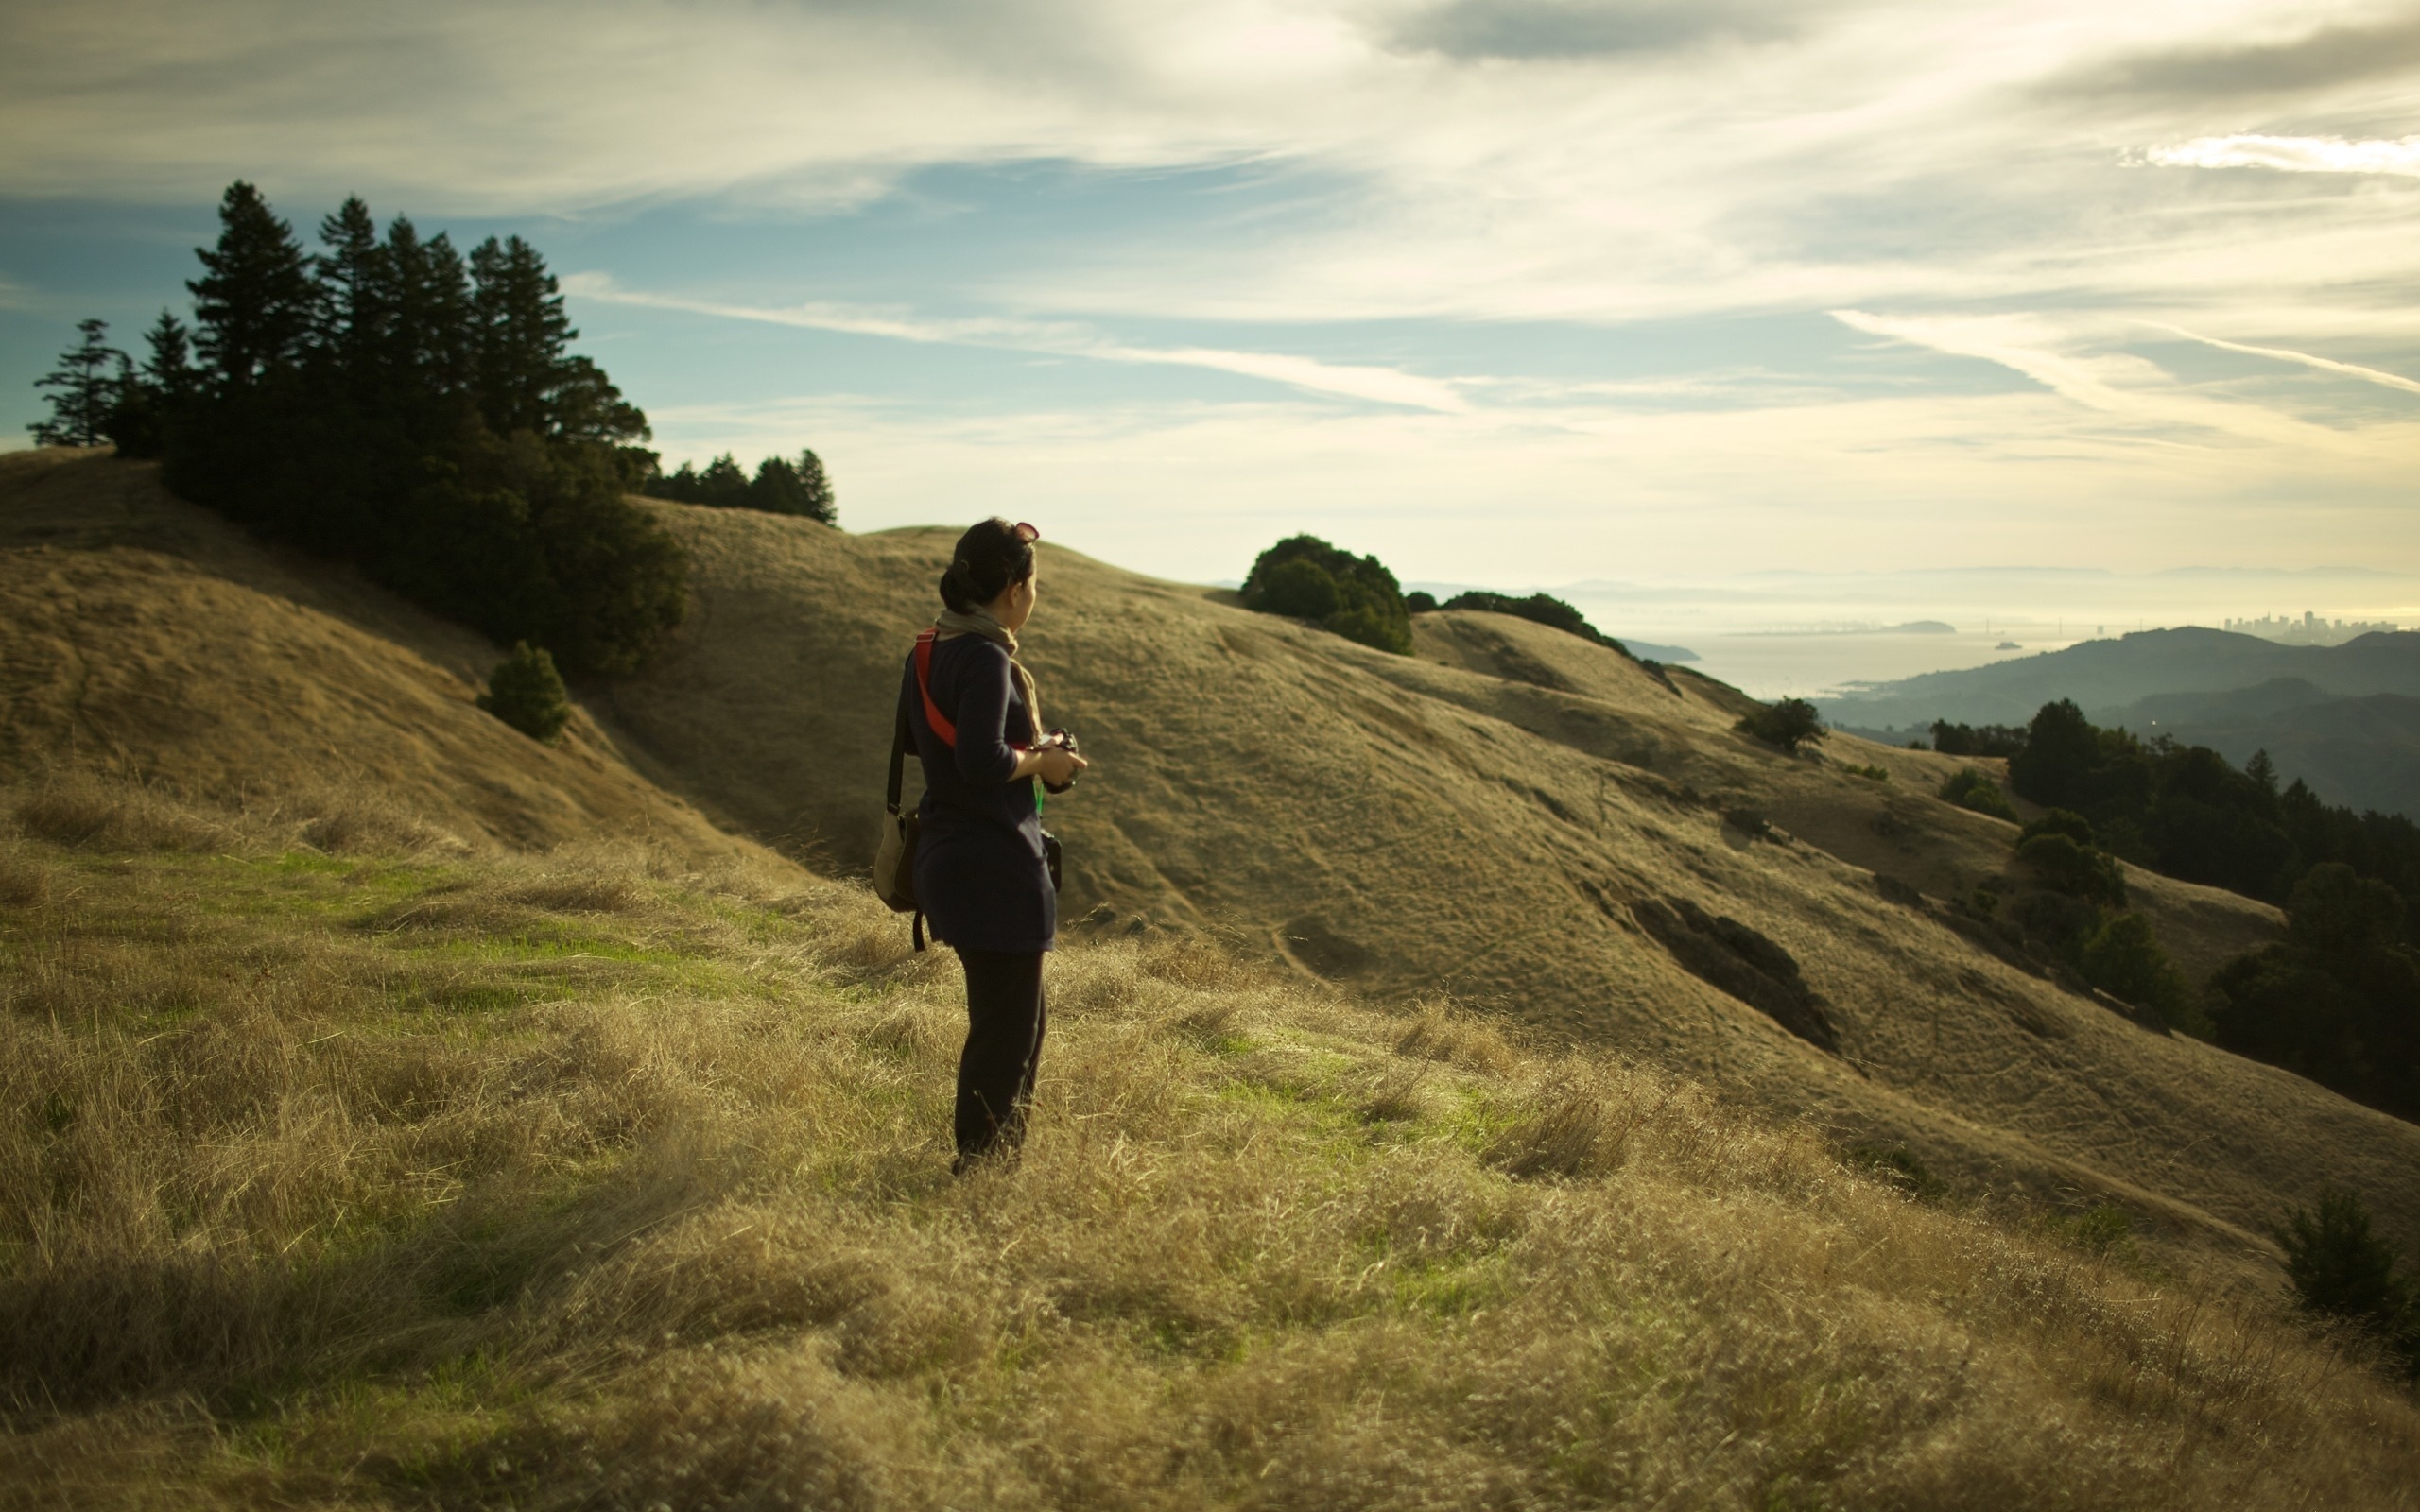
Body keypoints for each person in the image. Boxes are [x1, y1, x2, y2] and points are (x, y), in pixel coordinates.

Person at [899, 518, 1088, 1170]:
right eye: (1034, 583)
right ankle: (982, 1174)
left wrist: (1035, 754)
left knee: (1013, 1026)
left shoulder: (931, 647)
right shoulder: (985, 656)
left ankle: (993, 1165)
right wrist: (1041, 764)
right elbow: (982, 760)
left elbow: (932, 747)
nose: (1035, 596)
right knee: (1008, 1037)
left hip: (947, 854)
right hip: (995, 867)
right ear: (1012, 589)